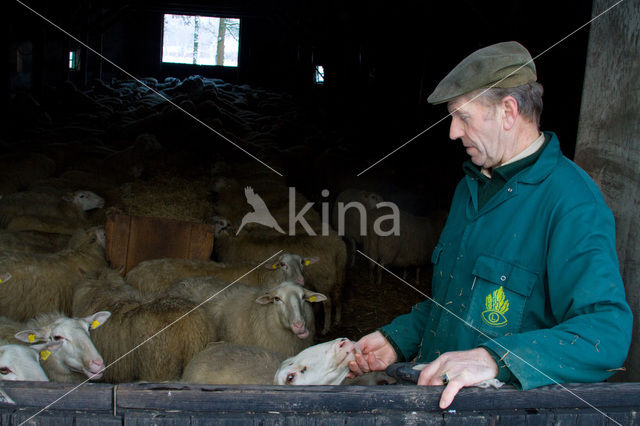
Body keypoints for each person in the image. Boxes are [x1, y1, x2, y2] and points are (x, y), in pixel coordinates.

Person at [348, 41, 633, 409]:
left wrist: (496, 359)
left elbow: (606, 334)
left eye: (463, 116)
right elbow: (456, 304)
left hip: (503, 414)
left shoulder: (573, 203)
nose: (452, 132)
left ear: (508, 111)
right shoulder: (470, 189)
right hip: (436, 402)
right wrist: (397, 339)